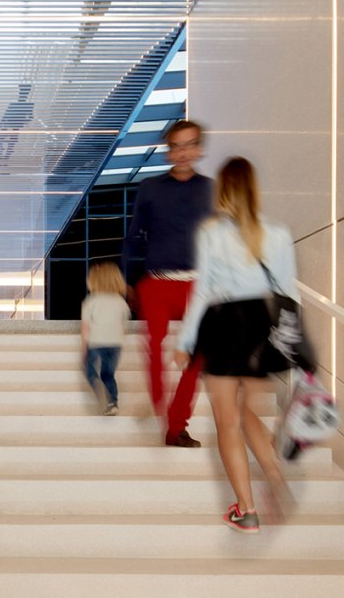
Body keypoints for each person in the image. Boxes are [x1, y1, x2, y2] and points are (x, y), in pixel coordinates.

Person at [174, 156, 296, 533]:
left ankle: (247, 509)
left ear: (223, 191)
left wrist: (186, 340)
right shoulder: (278, 234)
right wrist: (290, 343)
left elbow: (203, 291)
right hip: (261, 327)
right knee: (248, 415)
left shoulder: (213, 233)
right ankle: (273, 472)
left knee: (227, 423)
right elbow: (288, 293)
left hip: (225, 325)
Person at [121, 118, 212, 446]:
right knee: (155, 346)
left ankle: (177, 426)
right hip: (157, 282)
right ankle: (161, 404)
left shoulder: (210, 190)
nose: (184, 152)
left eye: (190, 145)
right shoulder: (150, 189)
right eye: (177, 146)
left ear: (199, 149)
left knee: (197, 355)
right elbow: (133, 237)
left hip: (198, 286)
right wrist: (130, 280)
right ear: (168, 152)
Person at [80, 262, 131, 415]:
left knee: (90, 371)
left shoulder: (91, 301)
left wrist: (84, 348)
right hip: (115, 343)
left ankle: (98, 386)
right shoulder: (121, 302)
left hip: (96, 342)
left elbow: (85, 327)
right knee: (108, 374)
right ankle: (113, 403)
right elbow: (124, 325)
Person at [0, 83, 35, 162]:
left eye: (25, 93)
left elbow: (30, 117)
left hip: (15, 124)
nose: (23, 95)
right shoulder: (22, 105)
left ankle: (5, 155)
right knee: (4, 139)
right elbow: (6, 114)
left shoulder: (28, 105)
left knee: (9, 140)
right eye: (22, 92)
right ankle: (2, 154)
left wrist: (23, 120)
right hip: (13, 123)